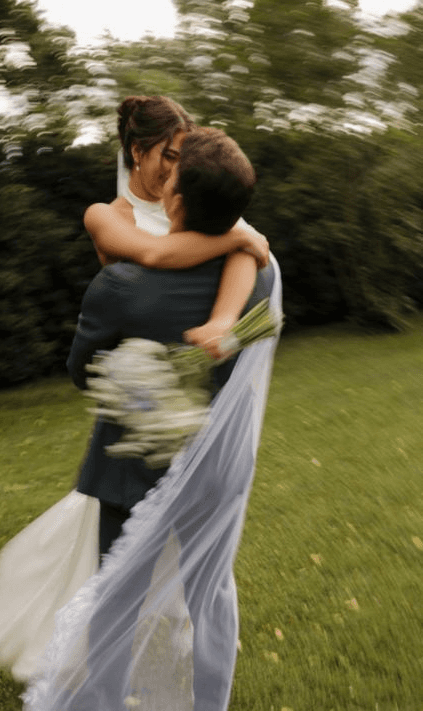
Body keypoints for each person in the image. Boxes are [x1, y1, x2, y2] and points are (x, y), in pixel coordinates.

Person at [22, 125, 282, 711]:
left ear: (177, 202)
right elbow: (256, 339)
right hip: (215, 471)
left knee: (117, 596)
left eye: (171, 176)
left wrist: (135, 383)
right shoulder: (262, 270)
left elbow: (81, 369)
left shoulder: (122, 285)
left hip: (128, 471)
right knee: (211, 593)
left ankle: (105, 703)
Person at [72, 97, 273, 560]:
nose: (175, 167)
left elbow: (247, 257)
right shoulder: (106, 216)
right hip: (144, 402)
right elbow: (155, 256)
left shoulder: (195, 200)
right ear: (137, 151)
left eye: (182, 157)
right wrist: (239, 235)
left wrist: (222, 320)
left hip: (208, 408)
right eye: (168, 154)